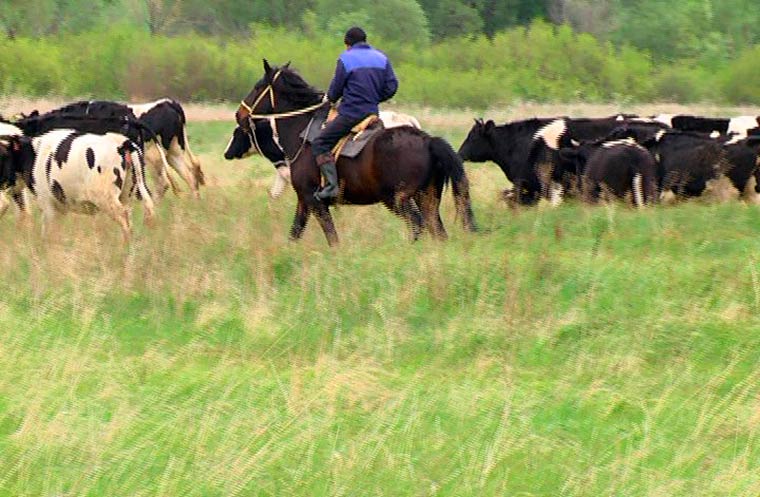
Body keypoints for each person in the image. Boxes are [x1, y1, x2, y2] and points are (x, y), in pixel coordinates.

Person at [312, 26, 399, 201]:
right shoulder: (382, 58)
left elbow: (335, 90)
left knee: (320, 142)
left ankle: (331, 187)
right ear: (365, 41)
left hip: (351, 114)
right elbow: (392, 87)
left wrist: (329, 99)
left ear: (347, 44)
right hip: (372, 114)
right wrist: (374, 98)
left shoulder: (346, 58)